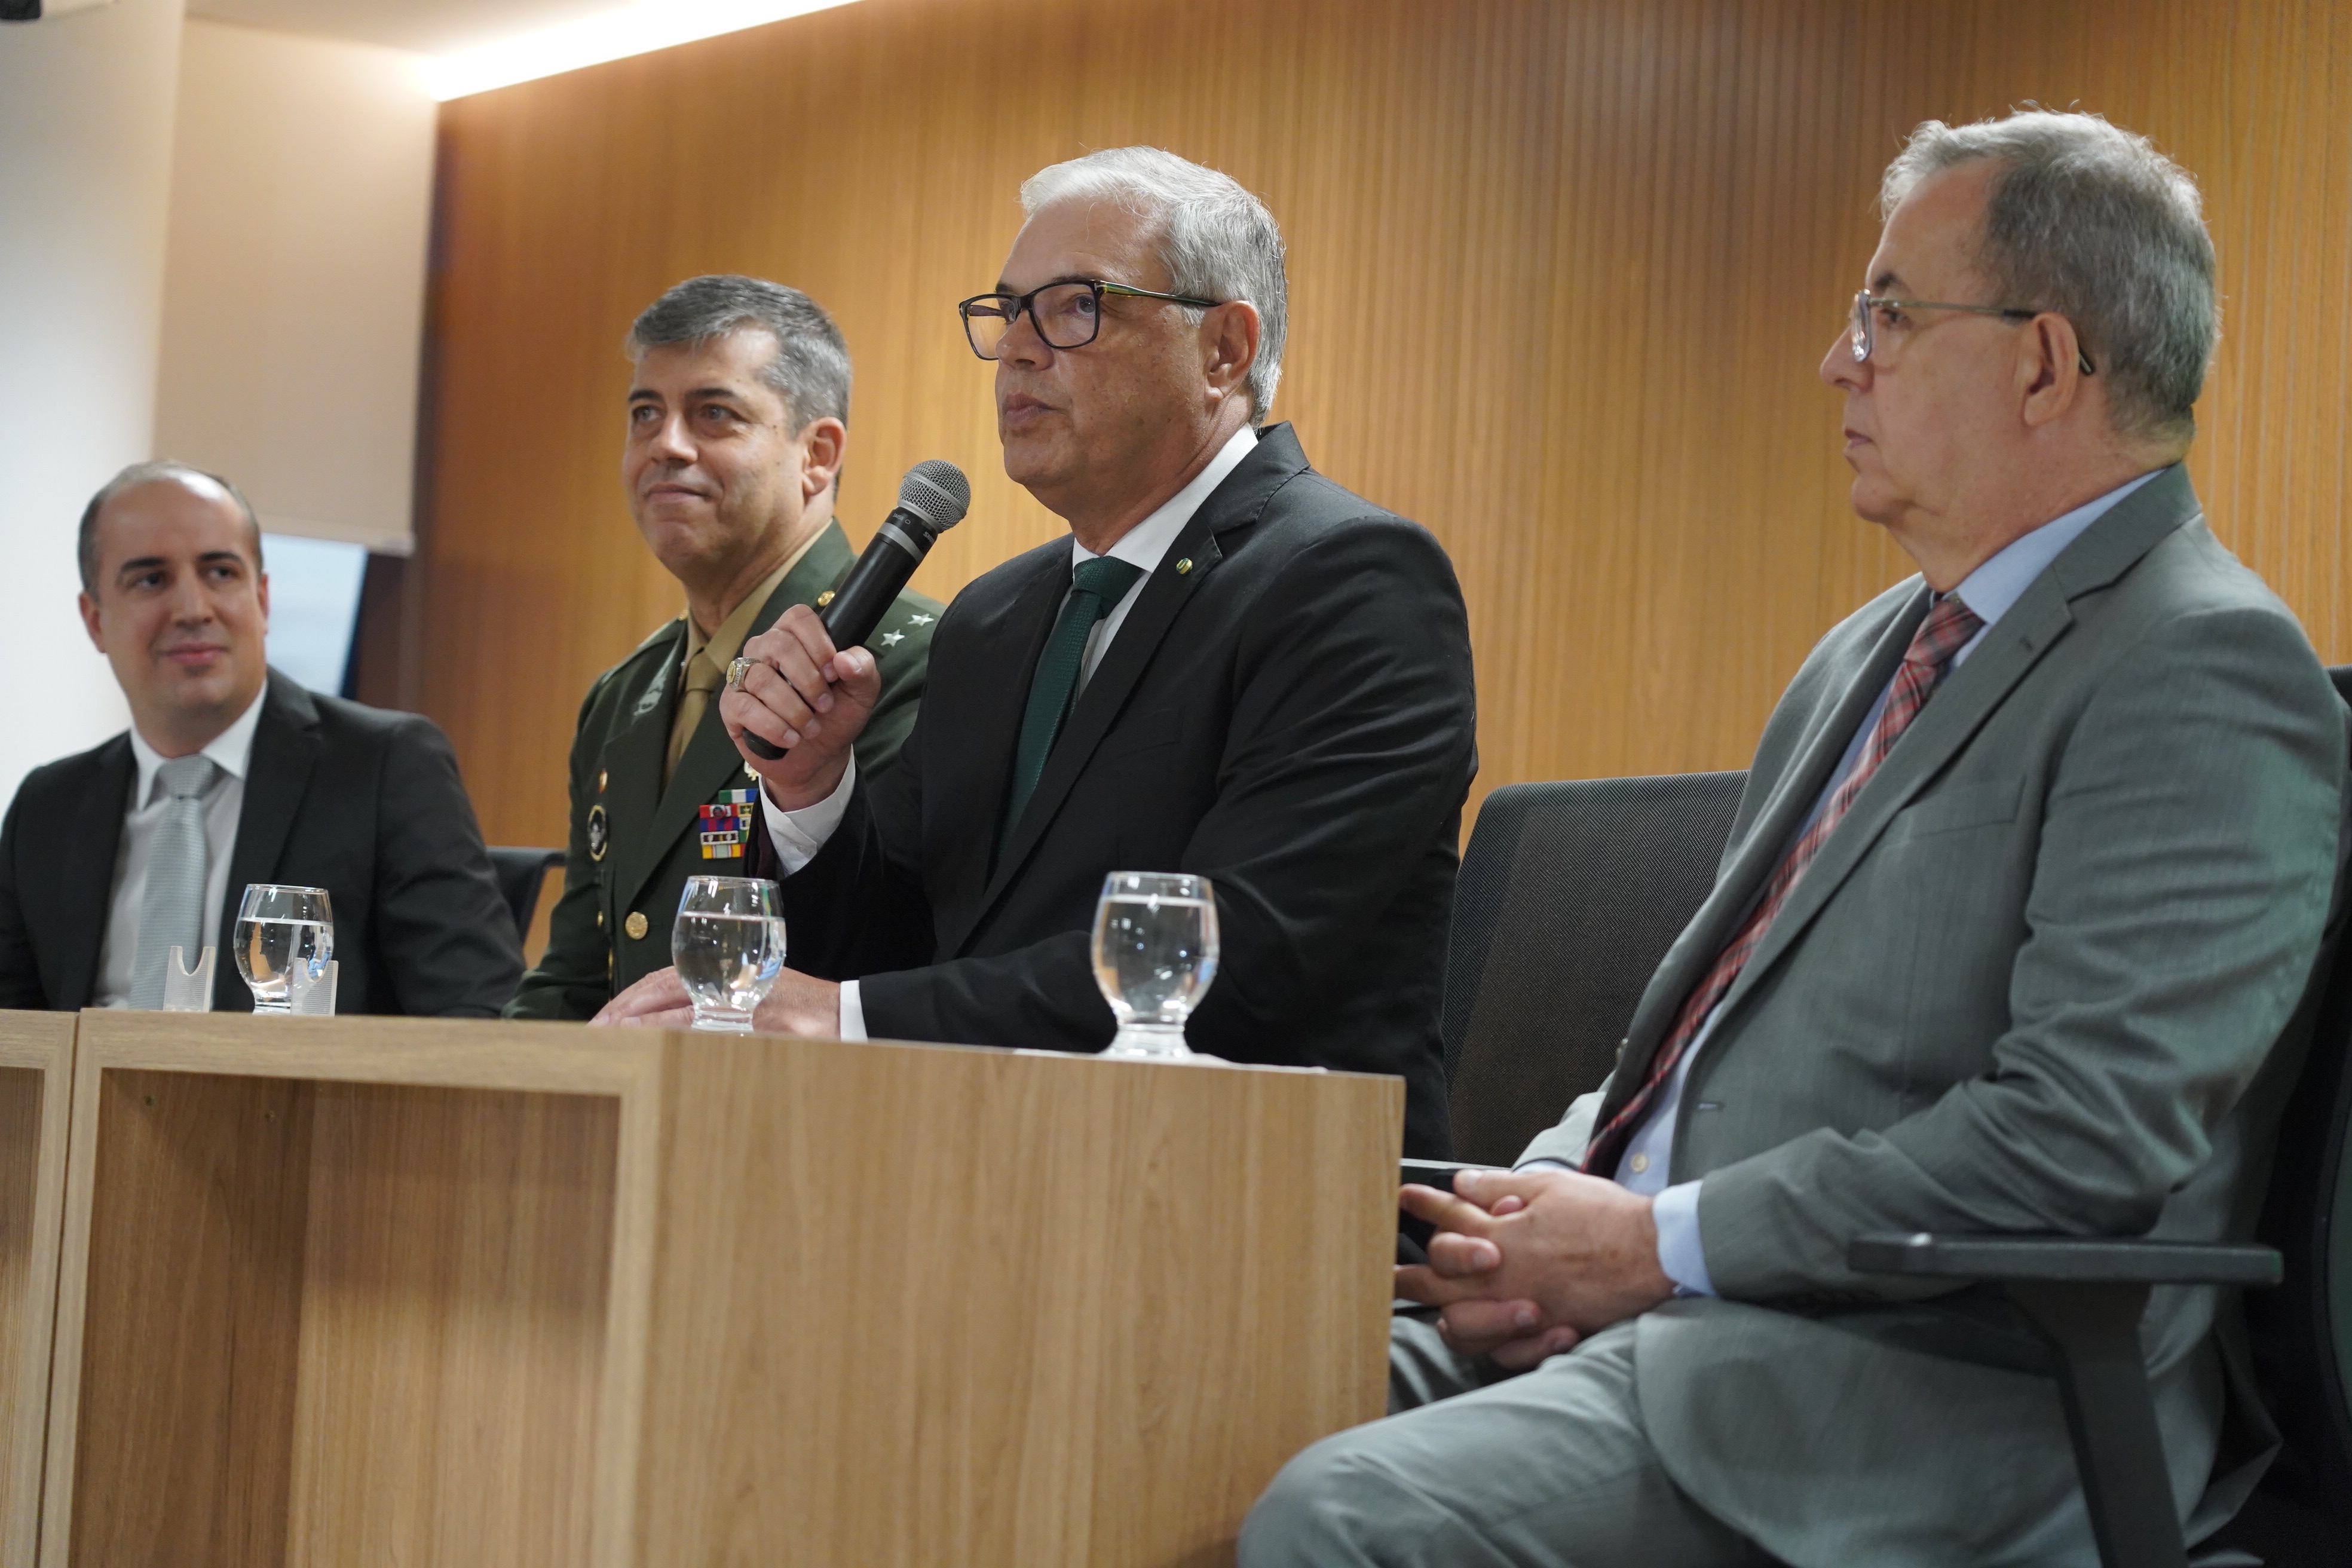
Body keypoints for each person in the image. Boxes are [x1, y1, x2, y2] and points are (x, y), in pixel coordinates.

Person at [1242, 110, 2349, 1565]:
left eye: (1889, 313)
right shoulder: (1863, 654)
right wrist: (1529, 1217)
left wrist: (1647, 1245)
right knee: (1138, 1407)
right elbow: (1702, 1049)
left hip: (1928, 1393)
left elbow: (2078, 1140)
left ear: (2042, 362)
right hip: (1666, 1323)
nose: (1840, 359)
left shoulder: (2201, 664)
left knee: (1338, 1517)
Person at [598, 148, 1475, 1159]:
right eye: (1007, 312)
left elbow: (1243, 962)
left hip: (1254, 1184)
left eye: (1072, 307)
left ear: (1224, 349)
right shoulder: (996, 616)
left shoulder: (1349, 580)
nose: (1016, 349)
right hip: (988, 1160)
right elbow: (901, 940)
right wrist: (811, 791)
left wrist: (846, 1017)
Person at [507, 275, 938, 1019]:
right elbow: (576, 978)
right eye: (645, 413)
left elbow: (900, 946)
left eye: (714, 413)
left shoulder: (917, 660)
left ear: (817, 454)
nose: (666, 445)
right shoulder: (622, 695)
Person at [0, 461, 522, 1015]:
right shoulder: (47, 808)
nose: (194, 609)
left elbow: (475, 1015)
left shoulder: (382, 768)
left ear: (263, 598)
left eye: (220, 573)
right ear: (95, 621)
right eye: (151, 580)